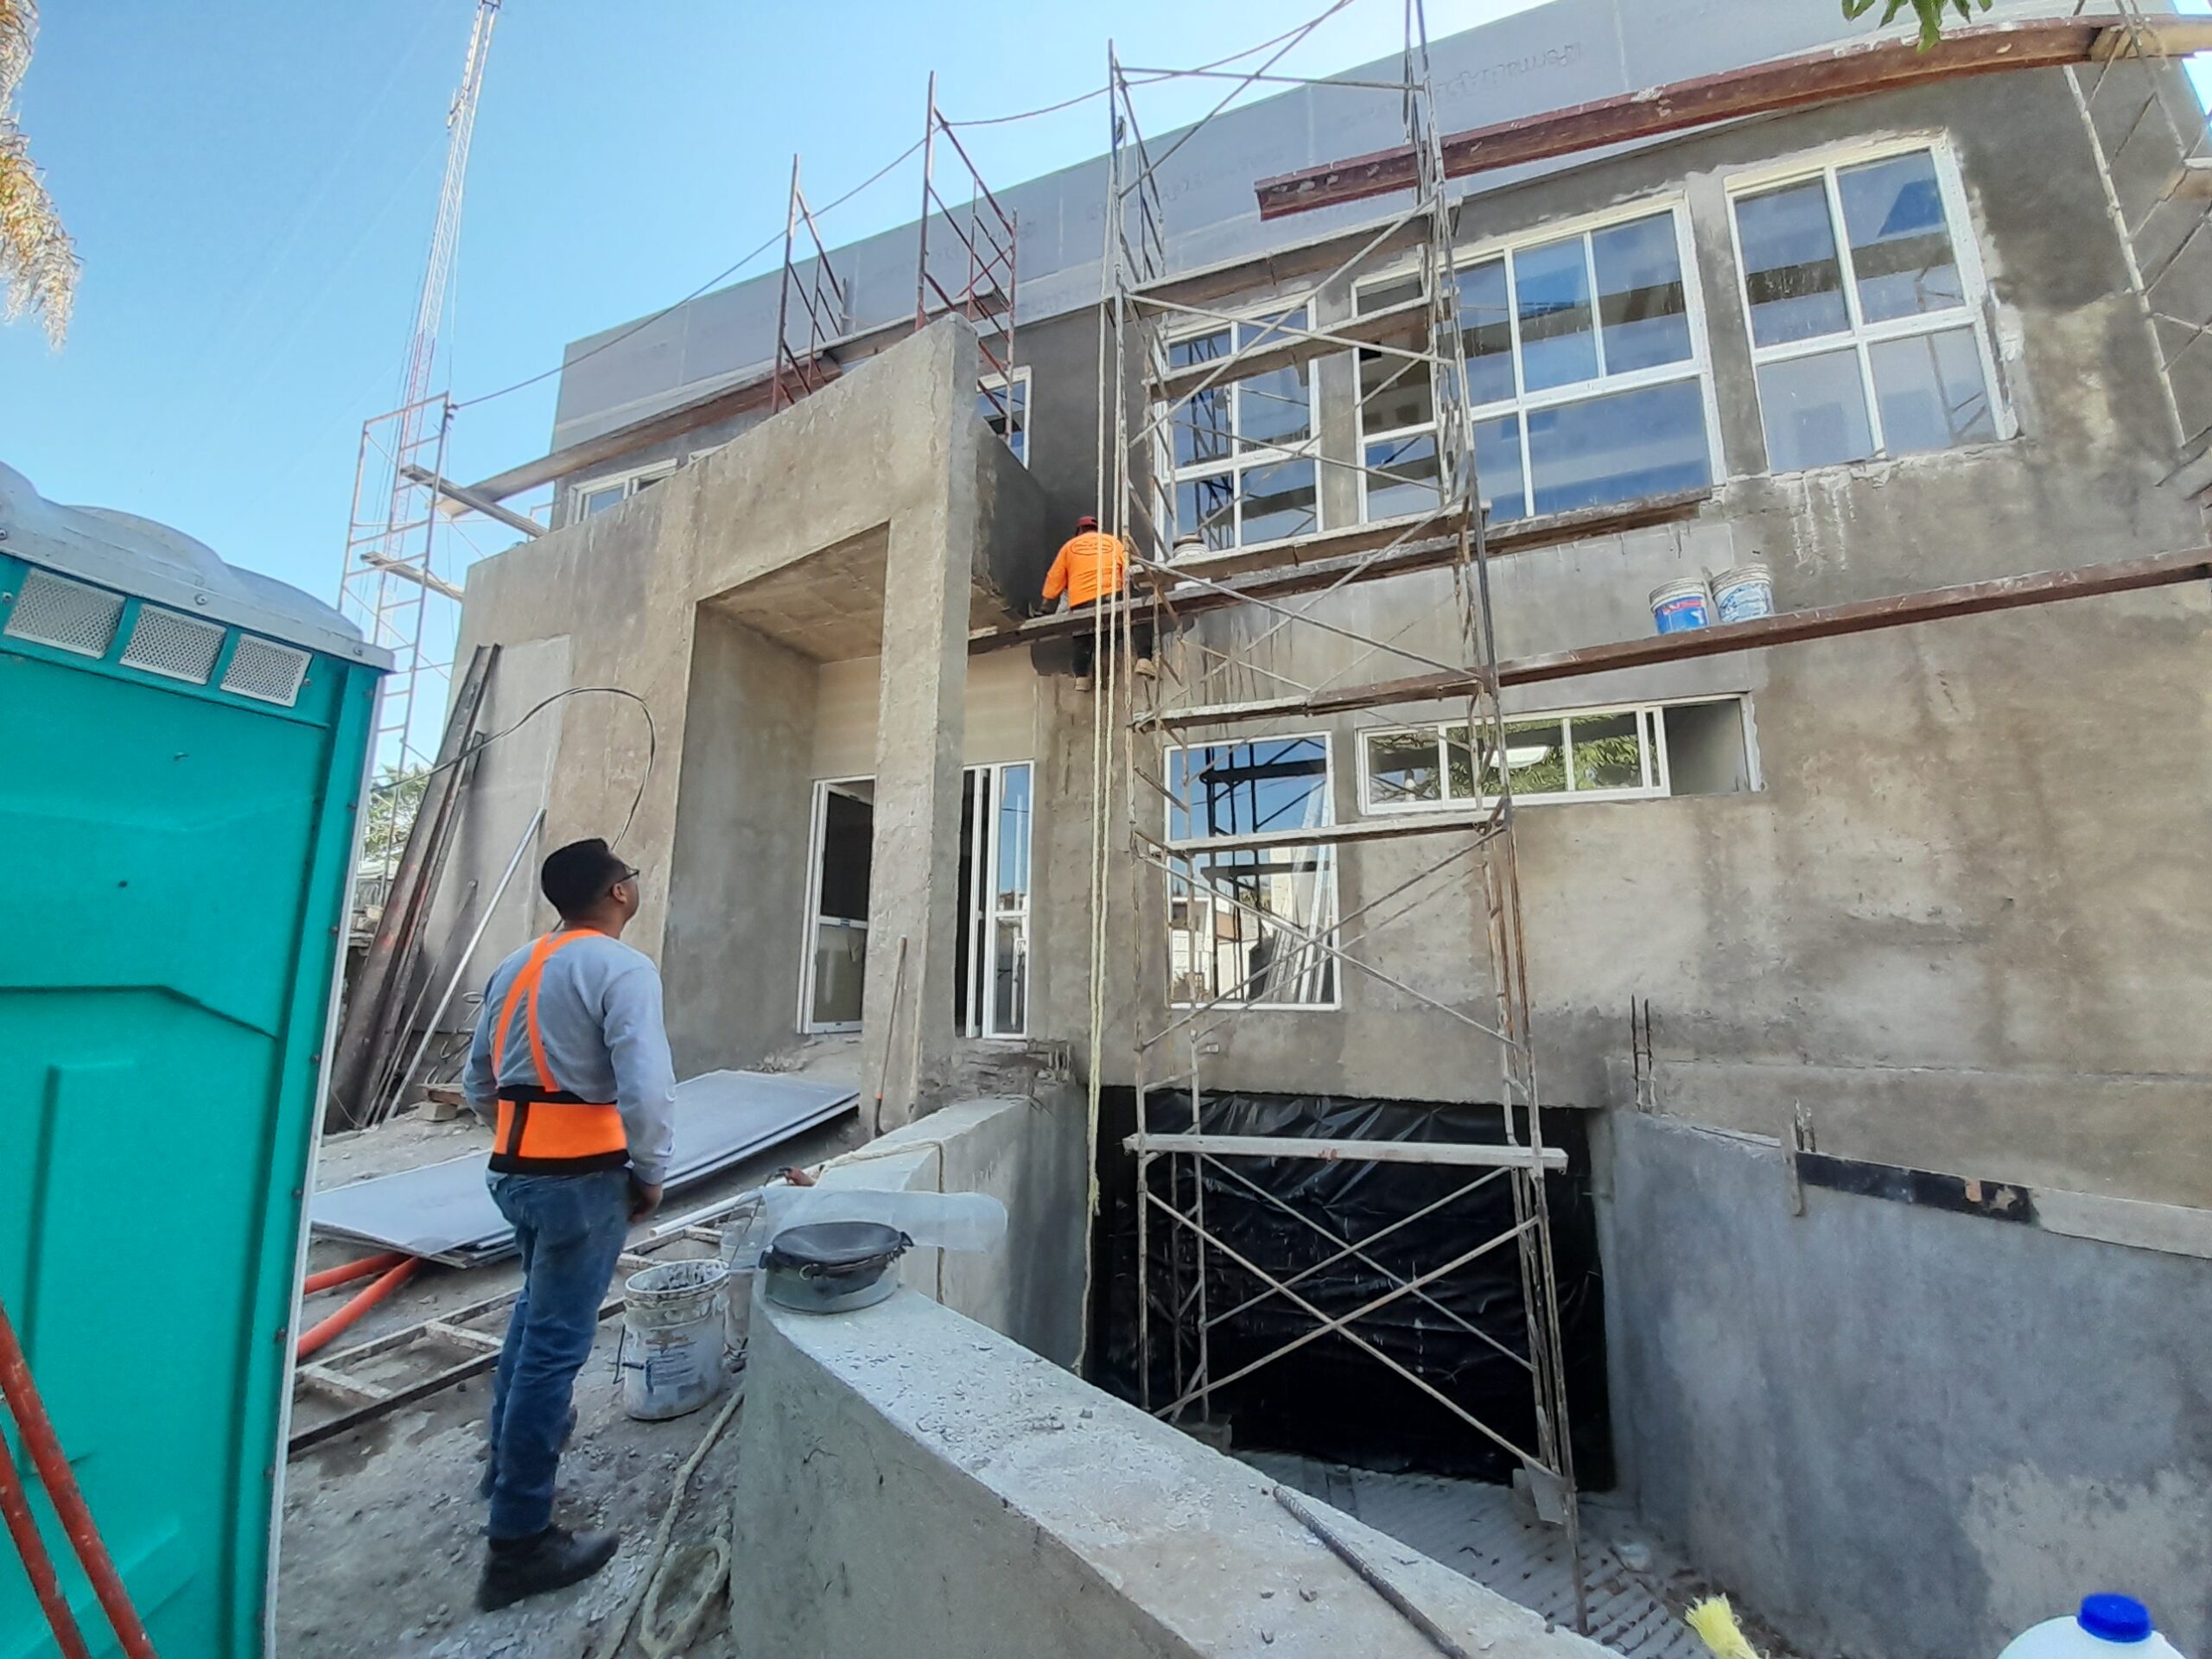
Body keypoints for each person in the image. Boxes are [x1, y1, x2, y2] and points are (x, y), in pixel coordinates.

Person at [461, 837, 677, 1611]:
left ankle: (504, 1461)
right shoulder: (622, 968)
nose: (635, 885)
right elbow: (646, 1086)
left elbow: (478, 1079)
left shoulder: (515, 964)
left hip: (515, 1174)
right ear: (616, 893)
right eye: (632, 876)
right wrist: (649, 1171)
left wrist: (519, 1138)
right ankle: (518, 1543)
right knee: (556, 1345)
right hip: (580, 1184)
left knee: (531, 1317)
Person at [1042, 513, 1155, 687]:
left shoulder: (1069, 547)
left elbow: (1055, 577)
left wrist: (1046, 605)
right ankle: (1144, 659)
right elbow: (1127, 571)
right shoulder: (1112, 542)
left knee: (1082, 634)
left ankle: (1081, 677)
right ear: (1097, 529)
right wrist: (1133, 590)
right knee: (1139, 615)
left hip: (1082, 601)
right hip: (1112, 594)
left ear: (1079, 531)